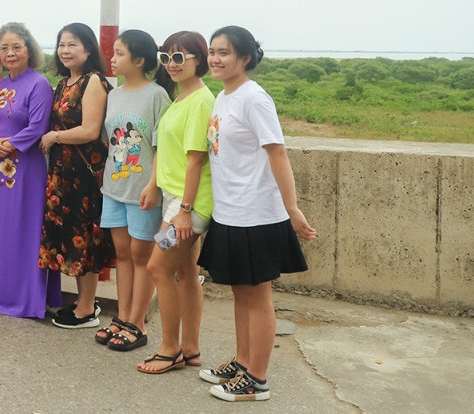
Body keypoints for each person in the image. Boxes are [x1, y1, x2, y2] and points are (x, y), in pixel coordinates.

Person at [198, 26, 316, 402]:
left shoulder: (254, 98)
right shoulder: (223, 96)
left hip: (256, 213)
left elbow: (277, 152)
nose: (215, 58)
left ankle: (257, 380)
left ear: (245, 58)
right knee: (240, 292)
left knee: (257, 295)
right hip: (229, 211)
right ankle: (243, 362)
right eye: (212, 51)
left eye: (224, 52)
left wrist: (292, 208)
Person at [139, 31, 216, 374]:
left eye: (180, 57)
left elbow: (196, 160)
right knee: (186, 272)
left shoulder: (200, 101)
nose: (171, 64)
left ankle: (169, 349)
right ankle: (191, 349)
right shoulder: (180, 97)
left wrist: (184, 212)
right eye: (166, 57)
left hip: (188, 204)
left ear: (200, 60)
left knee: (158, 268)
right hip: (175, 198)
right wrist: (155, 185)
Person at [97, 30, 172, 352]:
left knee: (142, 256)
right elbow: (110, 141)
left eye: (120, 53)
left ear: (139, 60)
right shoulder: (114, 94)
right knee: (123, 255)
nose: (112, 59)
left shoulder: (156, 96)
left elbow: (163, 148)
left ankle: (138, 324)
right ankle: (123, 316)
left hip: (143, 191)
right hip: (114, 187)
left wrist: (153, 186)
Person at [40, 23, 114, 328]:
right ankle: (84, 303)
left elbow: (90, 130)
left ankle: (87, 309)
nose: (65, 50)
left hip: (83, 174)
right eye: (61, 44)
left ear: (88, 49)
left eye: (73, 44)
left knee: (84, 238)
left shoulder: (93, 81)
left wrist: (54, 137)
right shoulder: (63, 83)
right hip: (62, 174)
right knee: (71, 238)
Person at [0, 22, 60, 317]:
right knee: (5, 229)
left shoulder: (39, 84)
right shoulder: (0, 85)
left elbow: (37, 128)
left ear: (29, 49)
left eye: (16, 47)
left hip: (28, 167)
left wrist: (5, 146)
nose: (10, 53)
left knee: (27, 229)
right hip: (2, 167)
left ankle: (29, 298)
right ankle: (4, 293)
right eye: (4, 48)